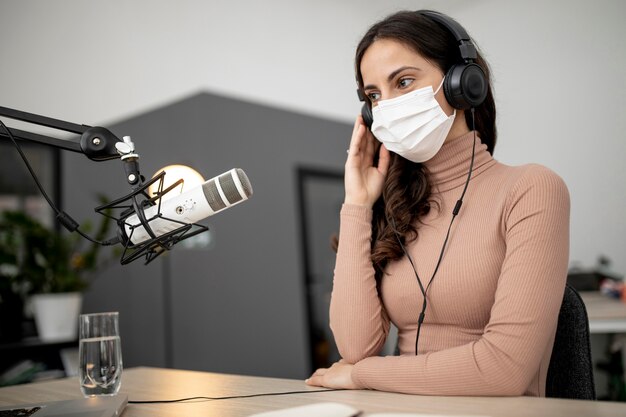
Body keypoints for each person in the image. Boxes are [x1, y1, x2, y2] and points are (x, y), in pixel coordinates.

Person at [305, 10, 569, 396]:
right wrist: (358, 205)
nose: (388, 106)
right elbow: (356, 348)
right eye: (374, 96)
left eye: (405, 81)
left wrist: (363, 376)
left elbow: (504, 370)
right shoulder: (396, 208)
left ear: (462, 84)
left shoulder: (531, 189)